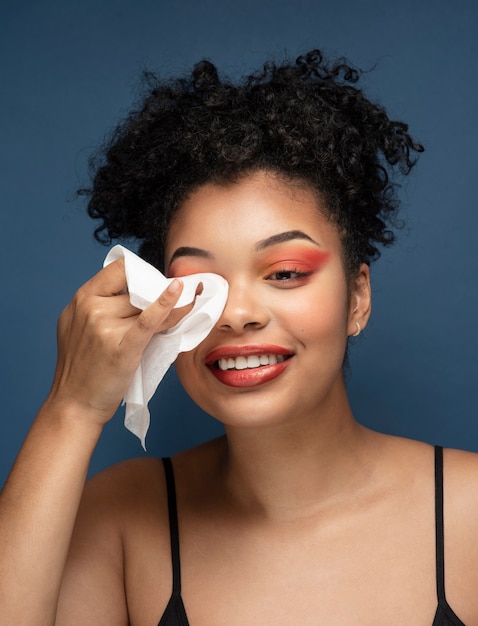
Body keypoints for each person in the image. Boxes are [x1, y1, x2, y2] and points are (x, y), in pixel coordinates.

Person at [1, 49, 477, 626]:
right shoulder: (121, 518)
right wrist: (70, 408)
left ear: (357, 297)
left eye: (284, 274)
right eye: (200, 285)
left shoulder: (470, 512)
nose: (237, 314)